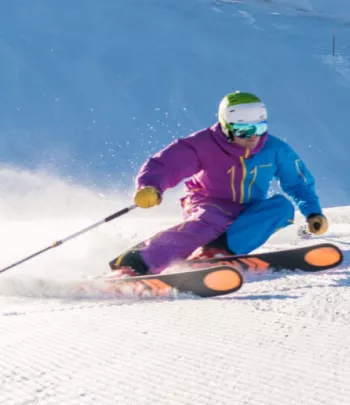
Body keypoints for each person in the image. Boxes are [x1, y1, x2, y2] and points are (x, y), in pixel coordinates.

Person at [109, 91, 329, 276]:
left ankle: (217, 252)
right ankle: (135, 263)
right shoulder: (203, 144)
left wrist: (313, 212)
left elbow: (298, 183)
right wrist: (151, 186)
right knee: (208, 222)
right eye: (244, 131)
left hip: (248, 208)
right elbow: (167, 164)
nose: (253, 137)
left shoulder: (275, 149)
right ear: (226, 126)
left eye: (259, 129)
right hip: (207, 202)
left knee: (281, 208)